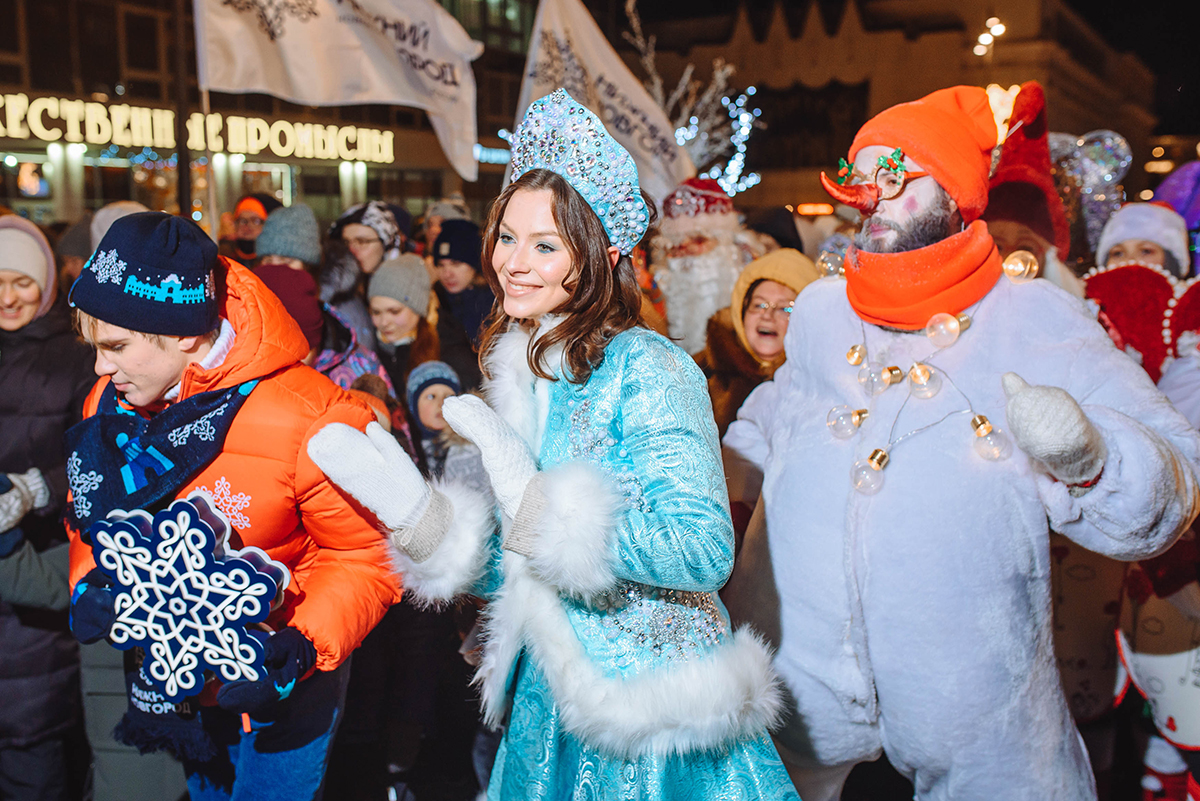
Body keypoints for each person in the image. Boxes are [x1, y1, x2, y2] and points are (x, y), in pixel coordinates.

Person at [308, 88, 797, 801]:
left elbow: (702, 547)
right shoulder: (518, 365)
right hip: (546, 703)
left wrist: (551, 519)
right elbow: (518, 563)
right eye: (507, 237)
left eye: (545, 245)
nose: (514, 261)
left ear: (600, 251)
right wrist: (431, 527)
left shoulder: (650, 366)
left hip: (645, 715)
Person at [722, 85, 1200, 800]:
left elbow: (1175, 474)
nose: (874, 196)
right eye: (866, 175)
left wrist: (1089, 456)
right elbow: (776, 422)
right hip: (795, 680)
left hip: (972, 698)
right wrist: (715, 471)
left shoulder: (1033, 316)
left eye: (899, 176)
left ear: (953, 190)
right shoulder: (821, 312)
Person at [63, 211, 402, 801]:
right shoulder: (108, 399)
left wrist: (301, 643)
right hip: (182, 679)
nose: (99, 367)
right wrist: (92, 580)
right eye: (94, 346)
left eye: (116, 346)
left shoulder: (306, 415)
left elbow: (367, 555)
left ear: (186, 334)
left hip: (286, 686)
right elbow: (91, 514)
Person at [0, 215, 93, 801]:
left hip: (35, 570)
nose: (8, 297)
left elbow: (98, 458)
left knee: (32, 752)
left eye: (21, 282)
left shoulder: (74, 357)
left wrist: (38, 487)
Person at [253, 204, 397, 396]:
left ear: (309, 265)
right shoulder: (251, 309)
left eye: (288, 262)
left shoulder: (342, 315)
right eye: (268, 261)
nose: (277, 270)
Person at [694, 248, 818, 438]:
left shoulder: (818, 382)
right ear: (741, 312)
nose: (767, 316)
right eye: (759, 305)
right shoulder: (699, 374)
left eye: (785, 308)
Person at [653, 178, 762, 355]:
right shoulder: (653, 300)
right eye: (676, 245)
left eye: (698, 240)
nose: (687, 252)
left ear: (726, 246)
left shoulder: (757, 300)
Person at [322, 201, 409, 348]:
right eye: (346, 242)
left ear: (386, 244)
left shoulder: (405, 288)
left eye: (362, 241)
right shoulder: (331, 290)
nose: (352, 250)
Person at [369, 254, 441, 396]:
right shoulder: (369, 351)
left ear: (419, 308)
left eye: (394, 311)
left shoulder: (447, 349)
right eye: (376, 312)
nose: (384, 322)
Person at [431, 217, 495, 347]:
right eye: (441, 265)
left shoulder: (495, 306)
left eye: (456, 264)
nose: (447, 274)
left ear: (475, 266)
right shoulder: (433, 300)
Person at [221, 194, 282, 267]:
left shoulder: (277, 260)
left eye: (256, 221)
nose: (247, 226)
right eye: (242, 220)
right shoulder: (224, 259)